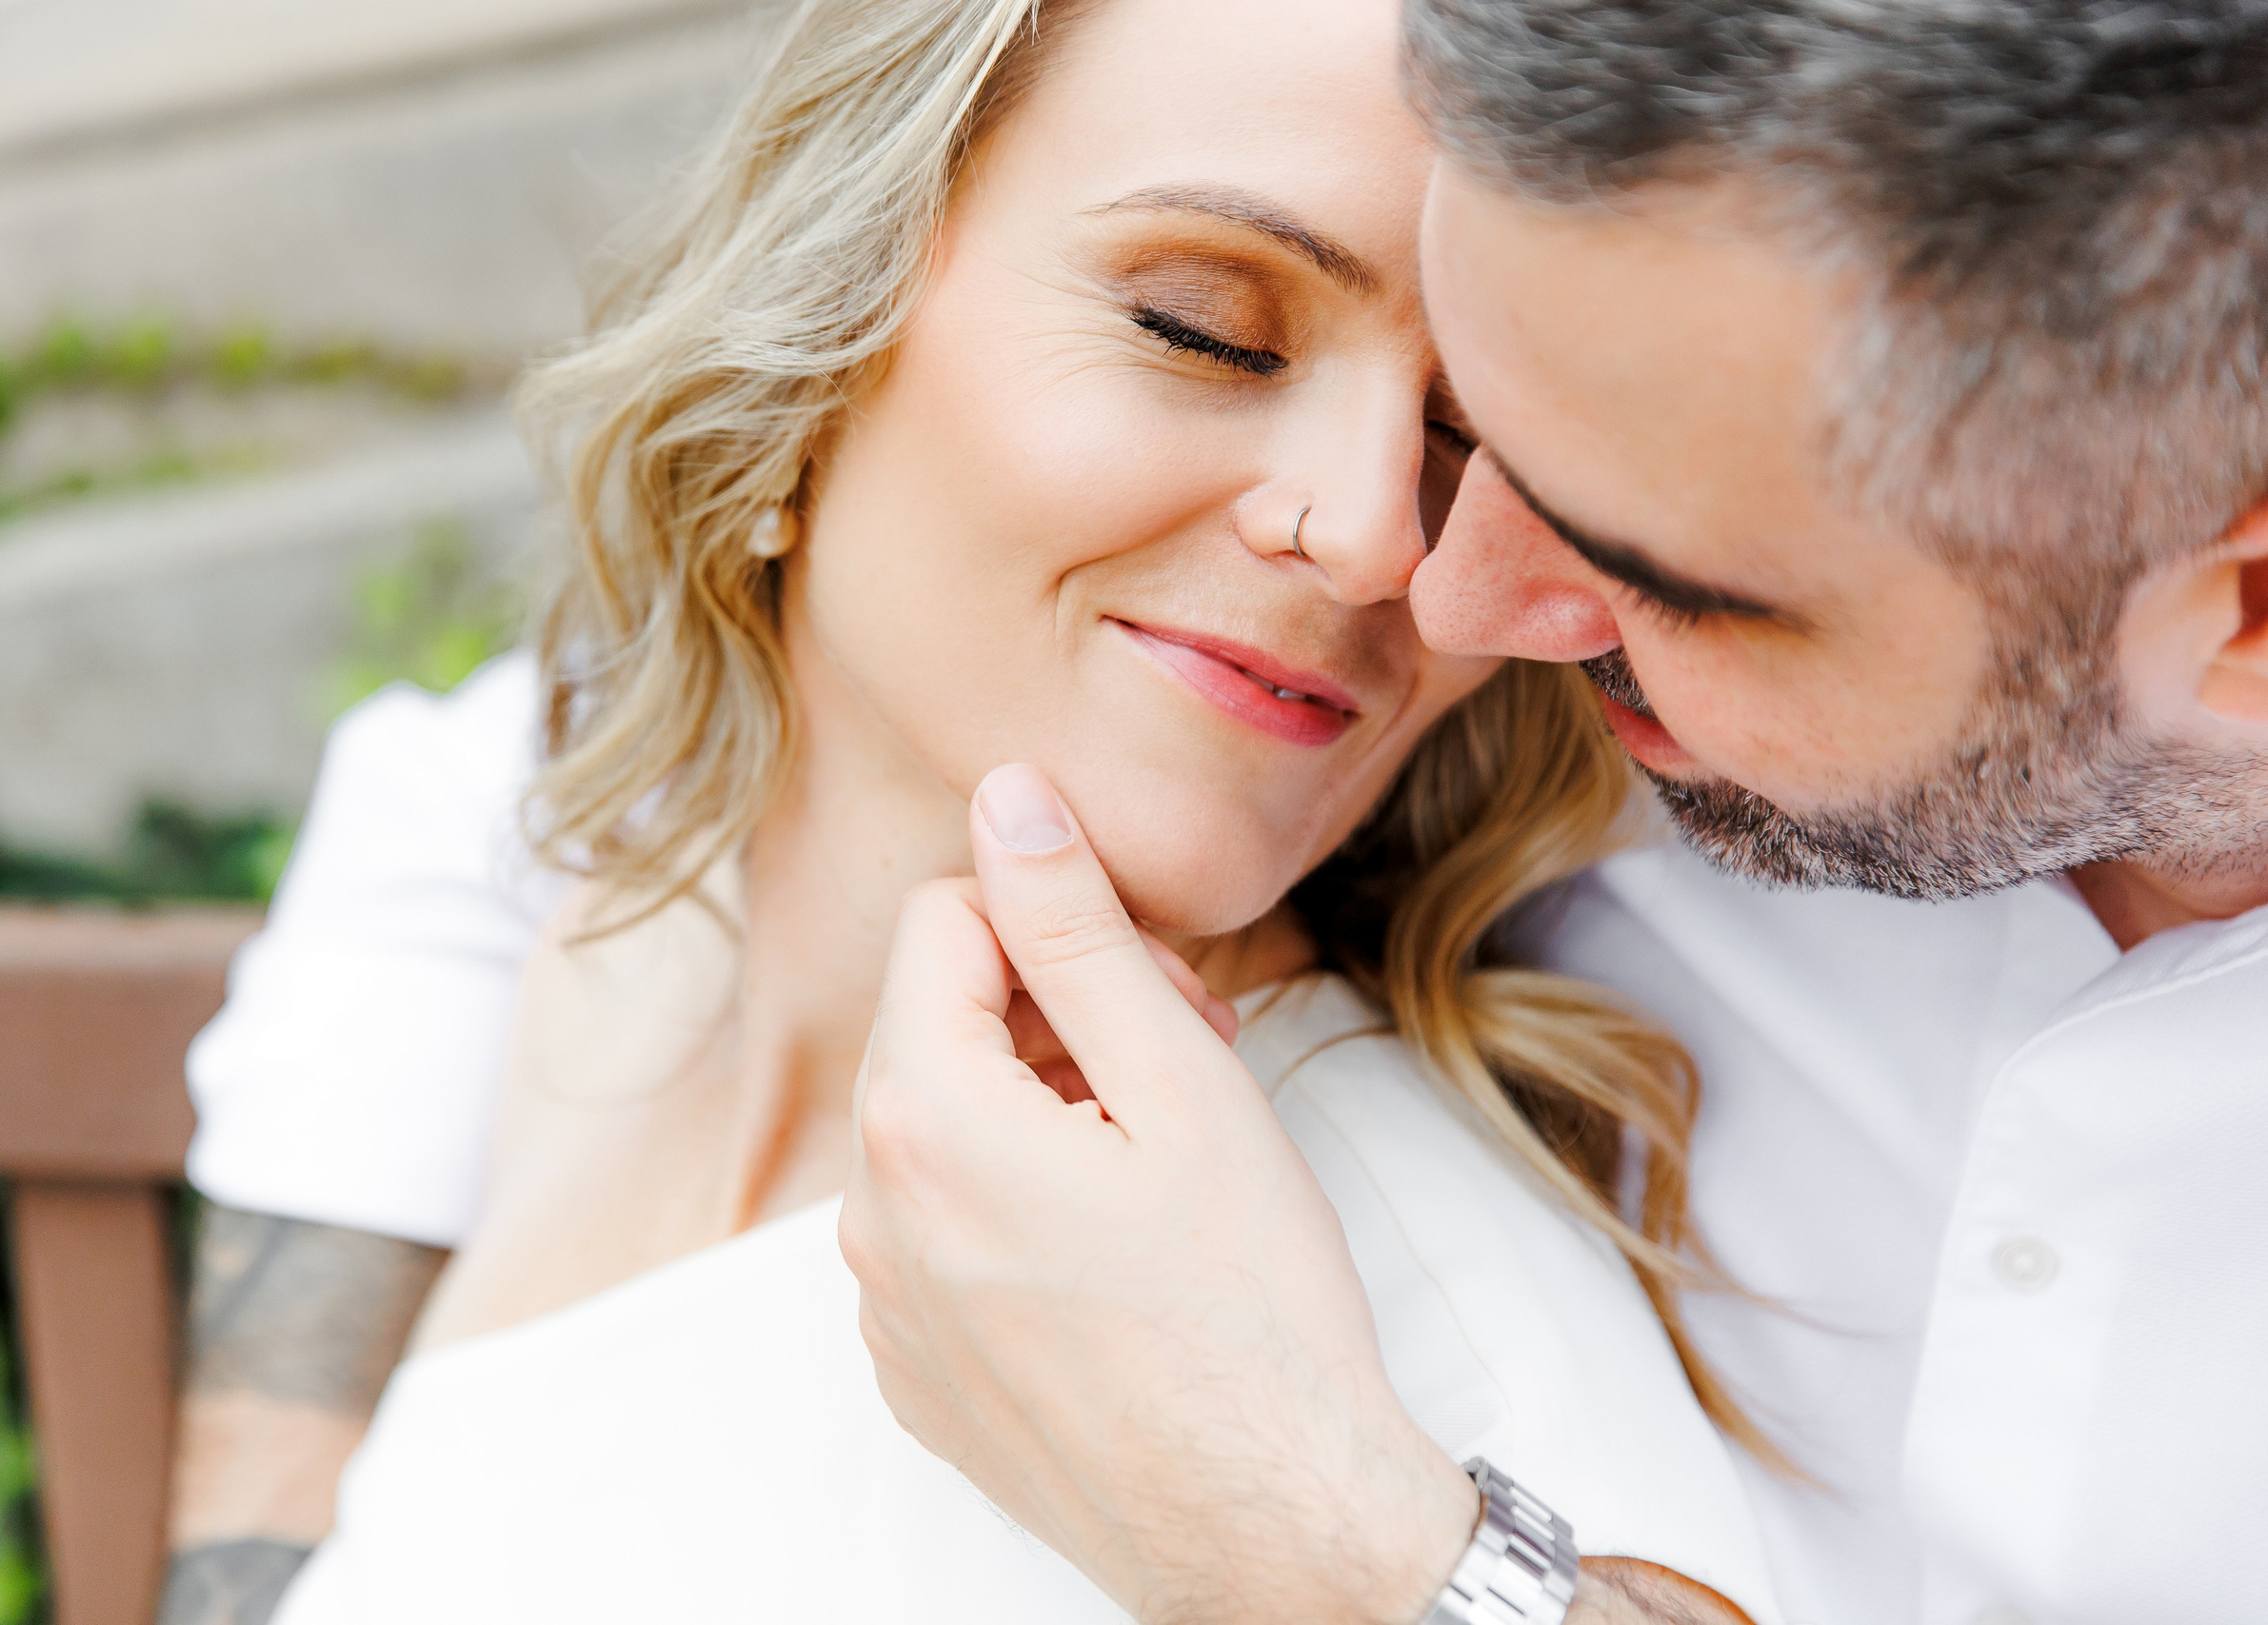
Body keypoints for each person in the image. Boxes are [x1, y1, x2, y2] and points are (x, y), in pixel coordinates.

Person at [160, 0, 1794, 1620]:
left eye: (1475, 437)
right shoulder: (604, 927)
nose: (1381, 535)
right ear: (821, 318)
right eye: (1206, 328)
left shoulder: (1412, 1303)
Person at [840, 2, 2268, 1624]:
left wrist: (1322, 1551)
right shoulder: (1519, 742)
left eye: (1658, 571)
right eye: (1488, 429)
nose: (1443, 598)